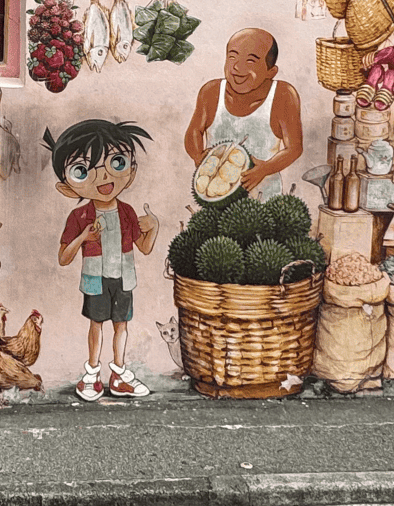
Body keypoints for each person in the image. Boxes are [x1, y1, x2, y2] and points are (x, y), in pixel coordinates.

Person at [46, 120, 158, 401]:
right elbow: (63, 257)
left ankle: (119, 375)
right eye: (83, 171)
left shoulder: (128, 211)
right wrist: (83, 236)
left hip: (124, 276)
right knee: (96, 325)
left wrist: (154, 227)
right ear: (68, 187)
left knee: (121, 325)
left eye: (116, 162)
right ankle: (92, 374)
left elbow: (143, 247)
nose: (103, 178)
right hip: (95, 279)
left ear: (131, 169)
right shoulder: (79, 216)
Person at [184, 27, 303, 199]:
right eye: (232, 56)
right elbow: (194, 131)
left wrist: (265, 169)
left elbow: (294, 148)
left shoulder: (283, 95)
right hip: (215, 196)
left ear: (271, 72)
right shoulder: (211, 92)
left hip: (264, 199)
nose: (238, 67)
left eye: (251, 61)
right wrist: (198, 156)